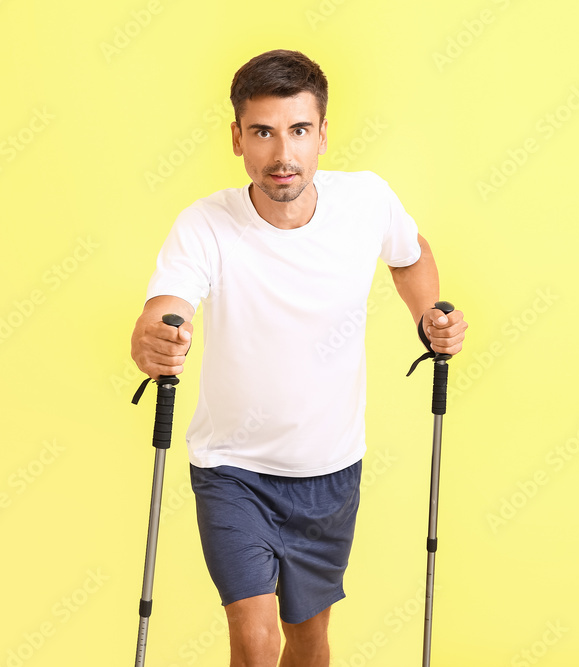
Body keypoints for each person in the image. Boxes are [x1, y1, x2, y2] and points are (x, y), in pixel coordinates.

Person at [130, 49, 468, 667]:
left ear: (322, 136)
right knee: (256, 645)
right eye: (262, 132)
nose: (282, 153)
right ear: (237, 139)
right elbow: (164, 309)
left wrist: (429, 317)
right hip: (233, 470)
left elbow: (410, 253)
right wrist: (156, 337)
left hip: (330, 472)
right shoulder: (205, 225)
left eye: (298, 131)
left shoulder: (366, 202)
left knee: (309, 642)